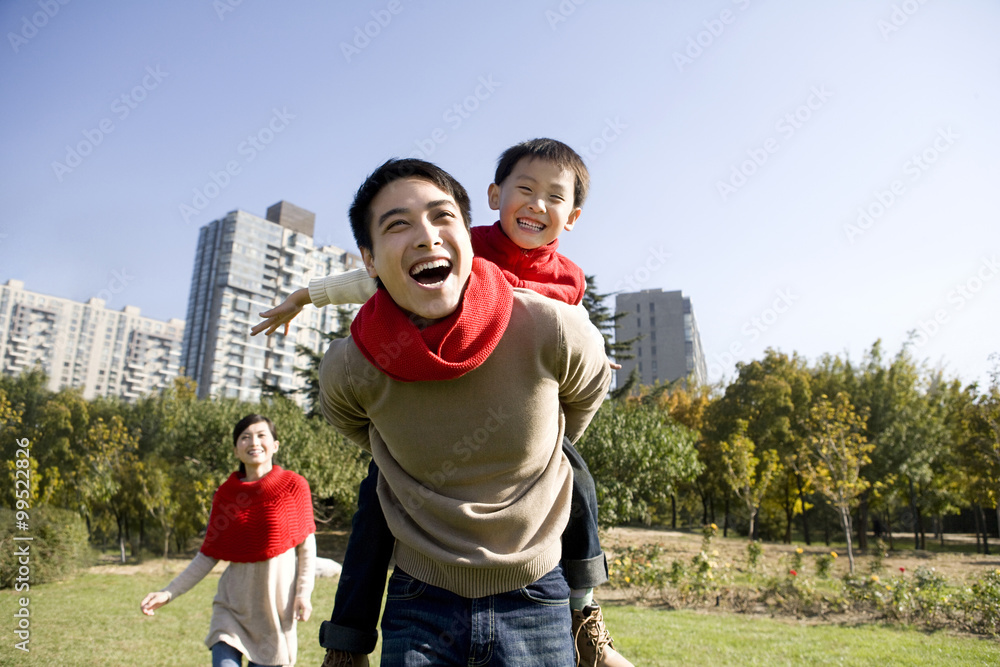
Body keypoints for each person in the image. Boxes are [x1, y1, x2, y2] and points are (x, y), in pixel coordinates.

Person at [252, 139, 631, 667]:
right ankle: (345, 641)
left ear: (572, 217)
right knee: (379, 493)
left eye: (554, 197)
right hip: (421, 593)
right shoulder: (458, 251)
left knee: (573, 475)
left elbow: (581, 373)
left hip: (533, 585)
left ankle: (584, 612)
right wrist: (307, 295)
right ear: (495, 195)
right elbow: (370, 282)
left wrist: (542, 433)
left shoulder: (563, 288)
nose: (537, 205)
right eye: (525, 189)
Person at [140, 414, 317, 667]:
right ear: (236, 450)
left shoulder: (293, 486)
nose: (253, 442)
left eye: (261, 435)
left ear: (275, 445)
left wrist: (303, 594)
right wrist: (168, 593)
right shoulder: (225, 495)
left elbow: (307, 547)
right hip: (231, 610)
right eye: (245, 437)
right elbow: (207, 555)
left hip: (275, 613)